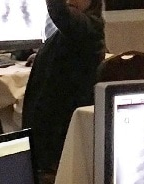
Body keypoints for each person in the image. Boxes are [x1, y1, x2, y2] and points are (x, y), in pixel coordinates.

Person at [20, 0, 105, 174]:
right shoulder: (82, 30)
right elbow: (69, 51)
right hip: (52, 134)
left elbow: (61, 13)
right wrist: (44, 55)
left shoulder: (88, 26)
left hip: (55, 141)